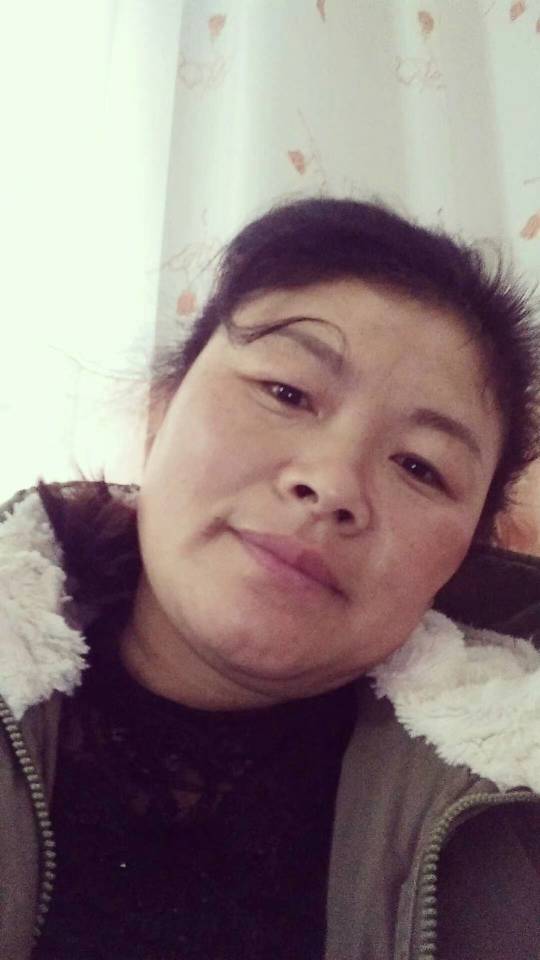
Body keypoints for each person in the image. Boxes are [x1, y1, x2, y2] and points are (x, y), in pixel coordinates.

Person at [1, 196, 539, 960]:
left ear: (464, 556)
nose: (333, 484)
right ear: (161, 411)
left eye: (421, 466)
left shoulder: (512, 819)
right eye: (286, 392)